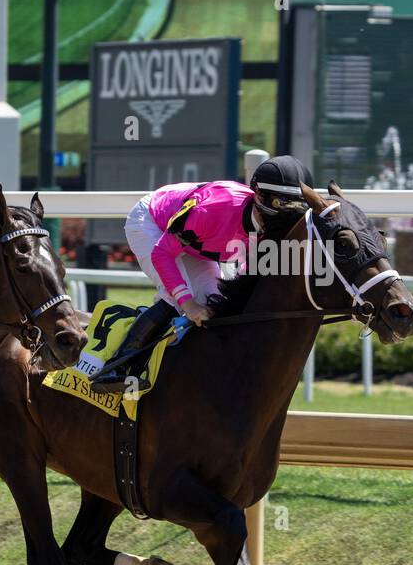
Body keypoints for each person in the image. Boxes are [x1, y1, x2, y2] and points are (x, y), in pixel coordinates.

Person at [89, 155, 314, 394]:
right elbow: (162, 254)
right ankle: (116, 368)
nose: (287, 220)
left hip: (196, 241)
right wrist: (187, 304)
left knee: (213, 303)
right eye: (281, 206)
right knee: (177, 297)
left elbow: (247, 277)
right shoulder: (215, 209)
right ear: (259, 196)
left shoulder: (270, 227)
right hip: (152, 222)